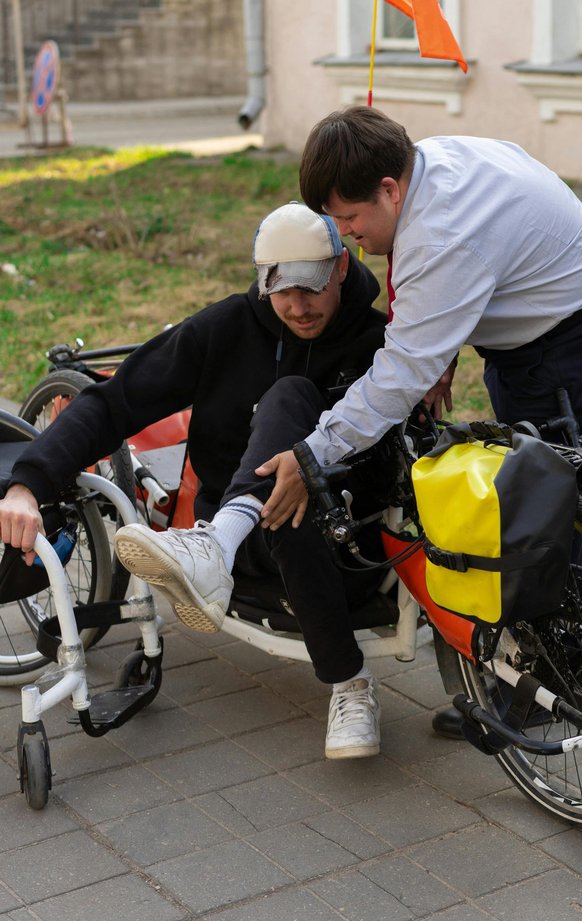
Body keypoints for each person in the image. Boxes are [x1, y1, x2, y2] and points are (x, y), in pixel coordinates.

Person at [254, 105, 582, 740]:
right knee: (560, 502)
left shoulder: (442, 236)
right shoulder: (430, 159)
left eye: (351, 218)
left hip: (567, 352)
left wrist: (313, 454)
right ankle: (546, 673)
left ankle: (551, 688)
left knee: (552, 516)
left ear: (389, 188)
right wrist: (444, 341)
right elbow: (462, 274)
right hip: (551, 321)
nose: (348, 235)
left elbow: (397, 377)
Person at [0, 201, 390, 760]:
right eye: (280, 290)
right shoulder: (228, 327)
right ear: (261, 282)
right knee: (282, 425)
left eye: (311, 288)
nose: (297, 306)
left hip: (343, 546)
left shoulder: (378, 340)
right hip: (248, 556)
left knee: (291, 409)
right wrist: (26, 484)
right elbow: (113, 404)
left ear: (343, 270)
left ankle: (349, 682)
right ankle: (221, 549)